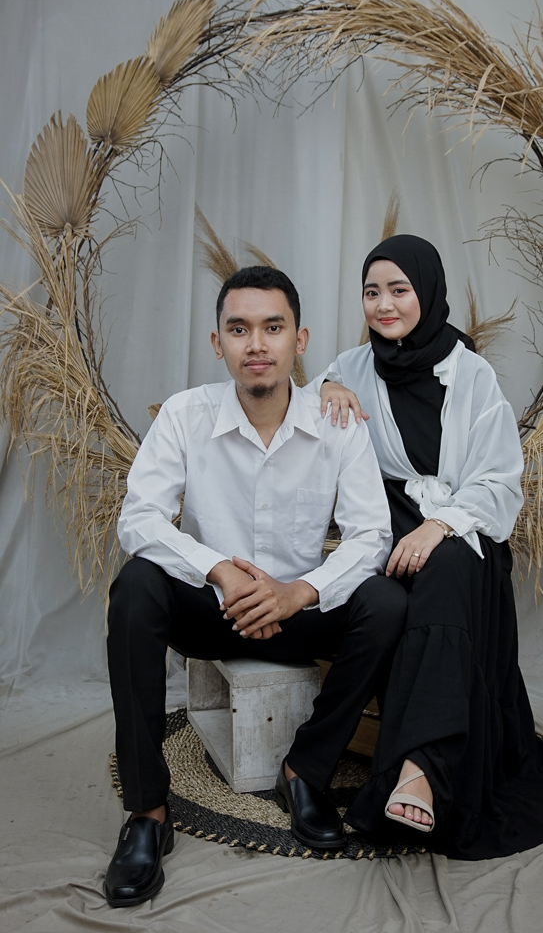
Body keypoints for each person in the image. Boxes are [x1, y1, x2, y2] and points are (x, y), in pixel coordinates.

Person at [104, 265, 407, 907]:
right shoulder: (185, 415)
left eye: (274, 327)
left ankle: (305, 769)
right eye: (239, 330)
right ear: (218, 343)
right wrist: (218, 570)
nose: (257, 344)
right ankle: (148, 811)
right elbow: (139, 519)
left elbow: (371, 537)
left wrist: (298, 593)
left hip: (298, 615)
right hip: (210, 611)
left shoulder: (338, 423)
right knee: (135, 588)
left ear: (300, 340)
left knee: (385, 601)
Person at [312, 234, 543, 860]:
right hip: (386, 525)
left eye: (399, 290)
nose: (384, 305)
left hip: (462, 525)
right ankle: (421, 758)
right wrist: (325, 389)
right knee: (399, 589)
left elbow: (499, 481)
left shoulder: (470, 374)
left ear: (428, 292)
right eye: (371, 292)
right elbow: (305, 413)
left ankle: (420, 764)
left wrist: (438, 525)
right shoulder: (352, 366)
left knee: (443, 573)